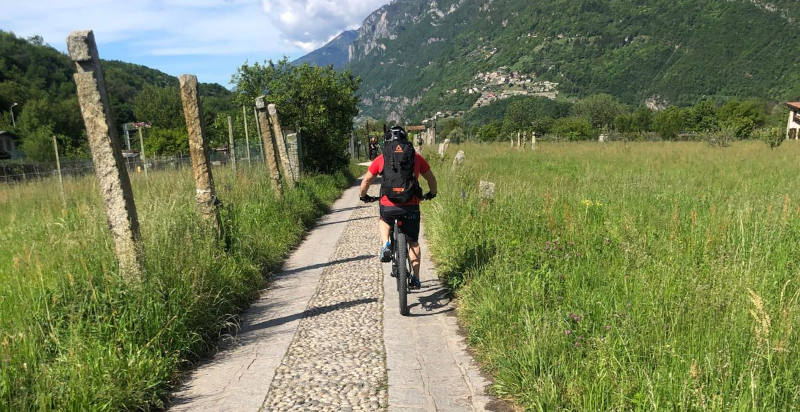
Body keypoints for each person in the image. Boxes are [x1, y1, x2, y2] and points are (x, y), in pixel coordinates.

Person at [360, 126, 437, 288]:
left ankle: (386, 244)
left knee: (384, 220)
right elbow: (431, 179)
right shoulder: (416, 157)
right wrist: (432, 193)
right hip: (411, 205)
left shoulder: (382, 158)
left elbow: (366, 180)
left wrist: (363, 196)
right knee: (413, 242)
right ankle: (416, 278)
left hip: (389, 205)